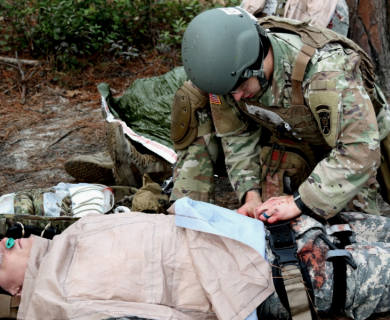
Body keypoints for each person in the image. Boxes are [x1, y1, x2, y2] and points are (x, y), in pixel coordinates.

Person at [169, 7, 390, 224]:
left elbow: (359, 149)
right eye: (231, 92)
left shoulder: (325, 74)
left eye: (243, 87)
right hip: (294, 132)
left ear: (259, 62)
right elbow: (237, 136)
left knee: (351, 228)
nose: (236, 98)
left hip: (360, 136)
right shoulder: (230, 77)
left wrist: (300, 202)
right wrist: (251, 195)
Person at [2, 199, 390, 320]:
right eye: (1, 255)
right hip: (284, 279)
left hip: (281, 228)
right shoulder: (57, 303)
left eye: (3, 240)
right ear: (14, 290)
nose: (7, 241)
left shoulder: (75, 233)